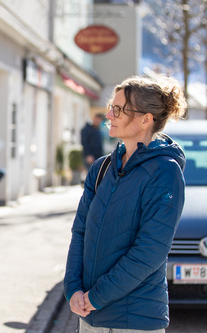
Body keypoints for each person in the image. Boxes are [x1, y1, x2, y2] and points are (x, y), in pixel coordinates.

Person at [64, 73, 187, 332]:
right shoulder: (101, 168)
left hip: (135, 321)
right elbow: (80, 232)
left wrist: (95, 297)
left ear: (146, 119)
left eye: (119, 110)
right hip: (89, 317)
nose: (110, 115)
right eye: (112, 107)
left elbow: (149, 252)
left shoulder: (165, 172)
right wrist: (73, 288)